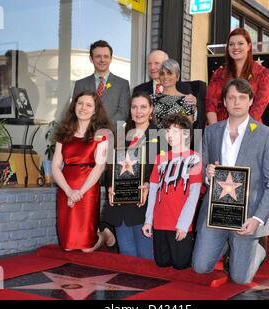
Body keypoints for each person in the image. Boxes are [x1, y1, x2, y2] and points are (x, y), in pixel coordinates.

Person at [192, 79, 269, 284]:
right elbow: (203, 168)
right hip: (216, 212)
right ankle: (225, 243)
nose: (236, 102)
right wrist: (208, 173)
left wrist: (258, 219)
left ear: (251, 101)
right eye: (231, 97)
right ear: (224, 101)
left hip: (247, 217)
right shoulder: (212, 131)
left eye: (242, 97)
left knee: (240, 278)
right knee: (200, 267)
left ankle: (257, 250)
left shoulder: (265, 135)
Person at [52, 90, 114, 252]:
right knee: (67, 247)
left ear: (95, 110)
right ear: (74, 106)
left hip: (87, 188)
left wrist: (79, 192)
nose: (83, 108)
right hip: (66, 187)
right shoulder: (64, 133)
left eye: (88, 105)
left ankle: (105, 235)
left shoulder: (102, 135)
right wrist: (68, 191)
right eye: (80, 103)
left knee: (87, 247)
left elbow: (99, 166)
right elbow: (55, 166)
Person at [102, 92, 160, 259]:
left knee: (145, 257)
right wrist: (111, 186)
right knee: (127, 257)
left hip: (145, 205)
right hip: (121, 206)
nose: (138, 111)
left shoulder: (161, 136)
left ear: (151, 110)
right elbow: (110, 169)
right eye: (134, 107)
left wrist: (150, 185)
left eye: (143, 107)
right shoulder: (120, 137)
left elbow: (164, 171)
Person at [142, 113, 202, 270]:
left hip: (180, 223)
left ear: (186, 134)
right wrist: (149, 220)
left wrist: (184, 224)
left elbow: (194, 194)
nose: (170, 135)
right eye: (168, 131)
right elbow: (153, 191)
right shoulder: (160, 158)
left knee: (181, 265)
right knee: (161, 263)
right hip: (160, 222)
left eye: (175, 131)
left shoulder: (194, 158)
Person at [206, 28, 269, 125]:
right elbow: (210, 104)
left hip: (250, 128)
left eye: (240, 43)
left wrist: (242, 130)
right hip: (221, 127)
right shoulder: (218, 74)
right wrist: (216, 131)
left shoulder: (262, 73)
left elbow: (259, 106)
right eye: (231, 44)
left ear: (249, 46)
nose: (235, 47)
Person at [72, 40, 130, 125]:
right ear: (91, 59)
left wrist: (104, 128)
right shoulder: (80, 84)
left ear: (111, 59)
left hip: (113, 134)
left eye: (106, 56)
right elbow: (76, 110)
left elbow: (123, 112)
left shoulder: (122, 84)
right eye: (98, 56)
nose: (102, 60)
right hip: (86, 134)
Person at [151, 59, 195, 127]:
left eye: (169, 73)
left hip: (179, 137)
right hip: (156, 137)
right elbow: (151, 125)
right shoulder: (152, 98)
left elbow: (189, 128)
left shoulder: (187, 100)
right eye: (162, 74)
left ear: (177, 76)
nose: (165, 77)